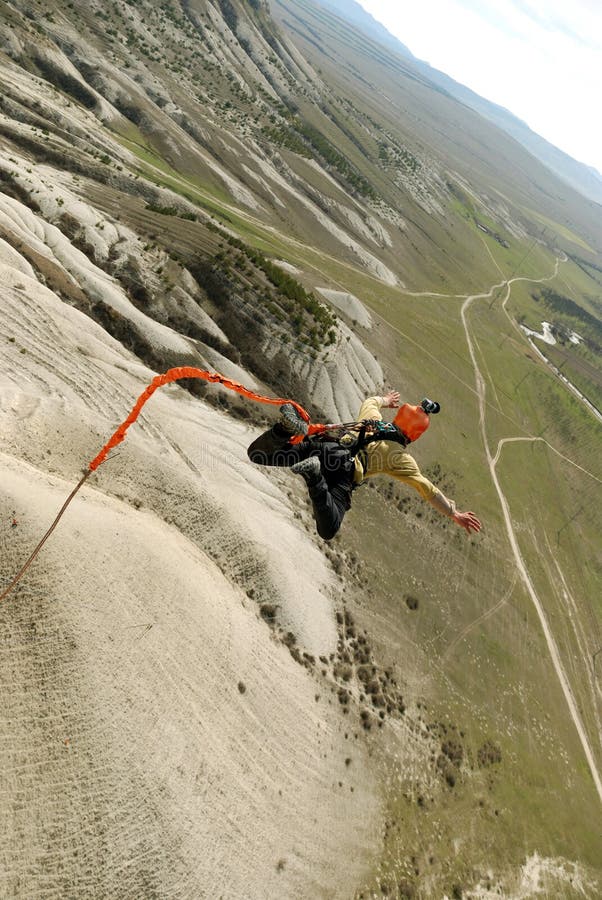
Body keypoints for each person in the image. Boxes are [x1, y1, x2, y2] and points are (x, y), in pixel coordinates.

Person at [247, 390, 481, 541]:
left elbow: (370, 401)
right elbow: (428, 489)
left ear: (399, 416)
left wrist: (386, 401)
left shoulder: (372, 419)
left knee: (259, 455)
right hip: (342, 471)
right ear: (415, 436)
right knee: (329, 528)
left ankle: (283, 431)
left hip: (324, 448)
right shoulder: (400, 458)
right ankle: (314, 476)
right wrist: (453, 513)